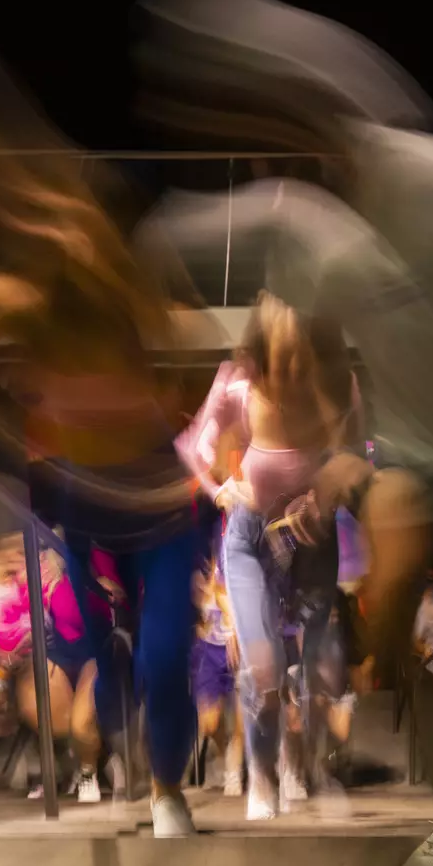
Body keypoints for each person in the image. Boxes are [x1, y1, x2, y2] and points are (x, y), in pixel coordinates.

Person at [136, 0, 433, 866]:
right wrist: (340, 456)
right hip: (410, 456)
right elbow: (298, 323)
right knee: (387, 612)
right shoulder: (310, 229)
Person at [0, 61, 202, 835]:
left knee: (164, 654)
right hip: (84, 505)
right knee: (101, 664)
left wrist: (174, 402)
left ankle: (167, 787)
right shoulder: (28, 293)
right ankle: (120, 730)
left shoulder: (126, 282)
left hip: (156, 501)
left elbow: (180, 344)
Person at [177, 290, 361, 819]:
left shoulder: (337, 386)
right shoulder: (237, 383)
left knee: (318, 671)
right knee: (264, 670)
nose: (289, 365)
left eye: (300, 350)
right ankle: (261, 772)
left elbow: (355, 456)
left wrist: (329, 490)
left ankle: (306, 765)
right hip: (251, 539)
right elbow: (195, 445)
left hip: (313, 541)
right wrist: (220, 490)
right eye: (280, 352)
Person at [190, 547, 244, 797]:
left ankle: (234, 771)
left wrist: (236, 630)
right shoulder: (194, 576)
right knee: (209, 724)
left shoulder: (234, 567)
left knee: (242, 717)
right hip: (208, 653)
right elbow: (196, 614)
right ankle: (225, 754)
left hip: (238, 650)